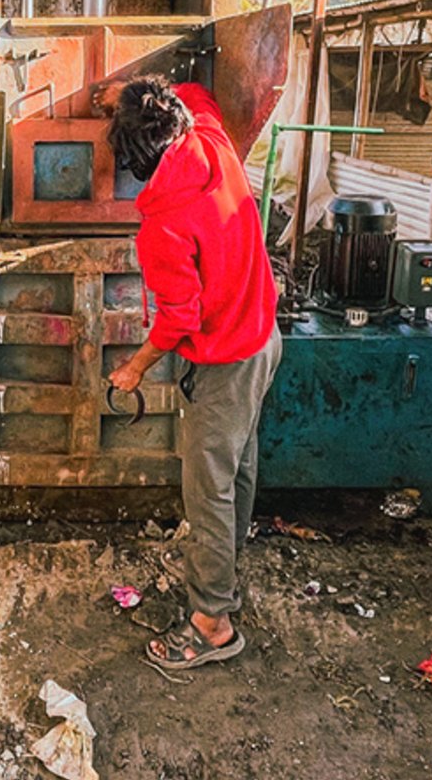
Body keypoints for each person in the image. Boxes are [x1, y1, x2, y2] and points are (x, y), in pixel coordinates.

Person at [105, 76, 281, 670]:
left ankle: (211, 624)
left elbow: (179, 319)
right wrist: (133, 93)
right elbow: (195, 91)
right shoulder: (211, 138)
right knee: (239, 468)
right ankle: (223, 576)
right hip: (264, 340)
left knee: (208, 490)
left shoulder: (162, 227)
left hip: (226, 360)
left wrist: (133, 367)